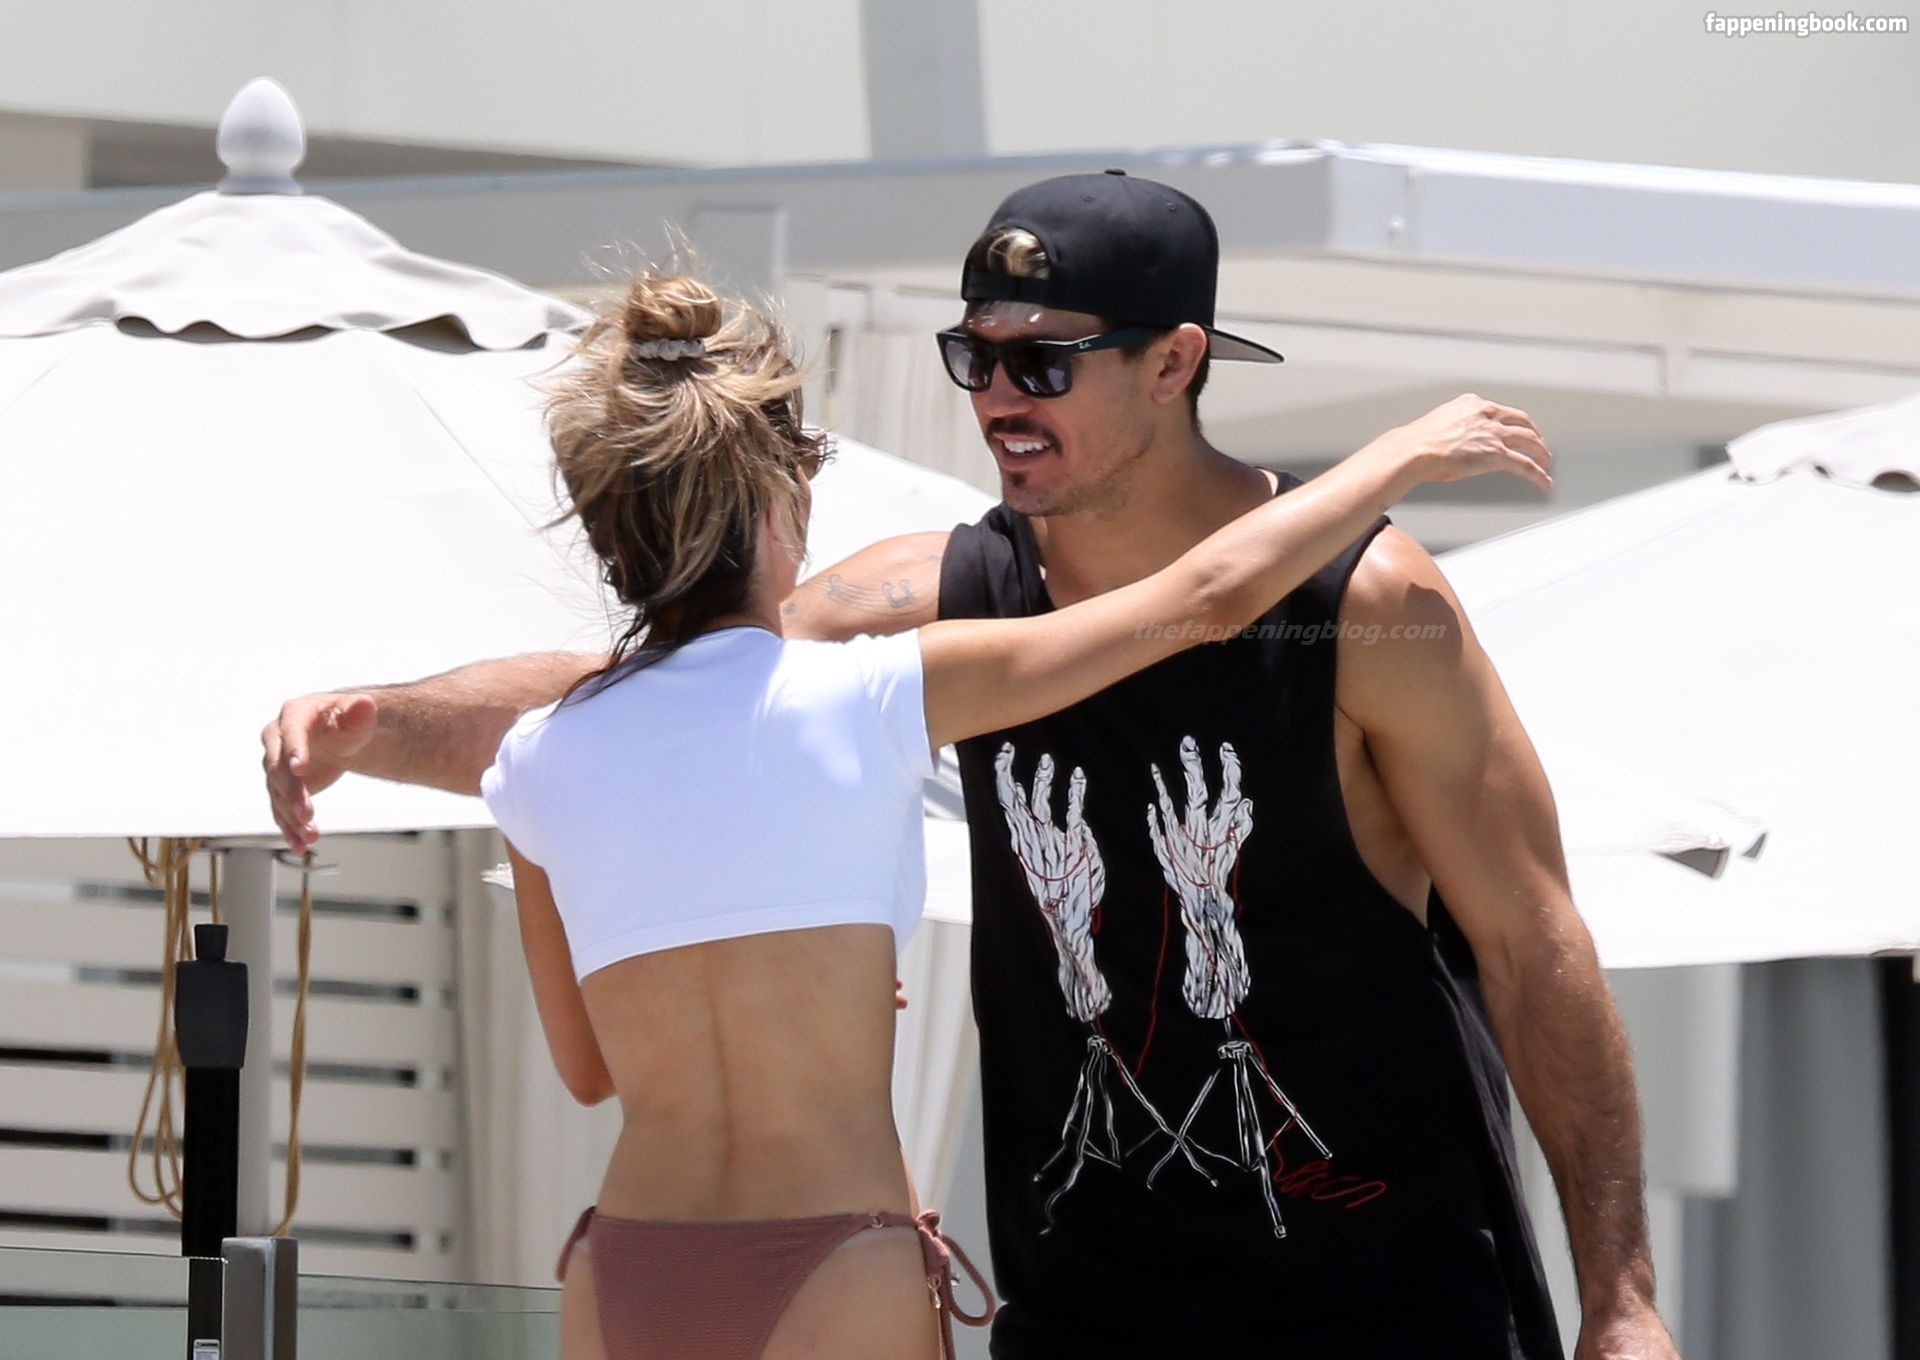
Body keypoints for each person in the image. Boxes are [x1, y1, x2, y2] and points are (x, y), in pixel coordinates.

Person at [259, 173, 1666, 1360]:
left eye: (1041, 362)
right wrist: (378, 721)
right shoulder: (938, 601)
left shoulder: (1367, 604)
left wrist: (1622, 1300)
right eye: (974, 356)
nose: (997, 396)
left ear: (1174, 362)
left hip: (1380, 1308)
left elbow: (1534, 940)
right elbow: (656, 692)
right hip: (1089, 1309)